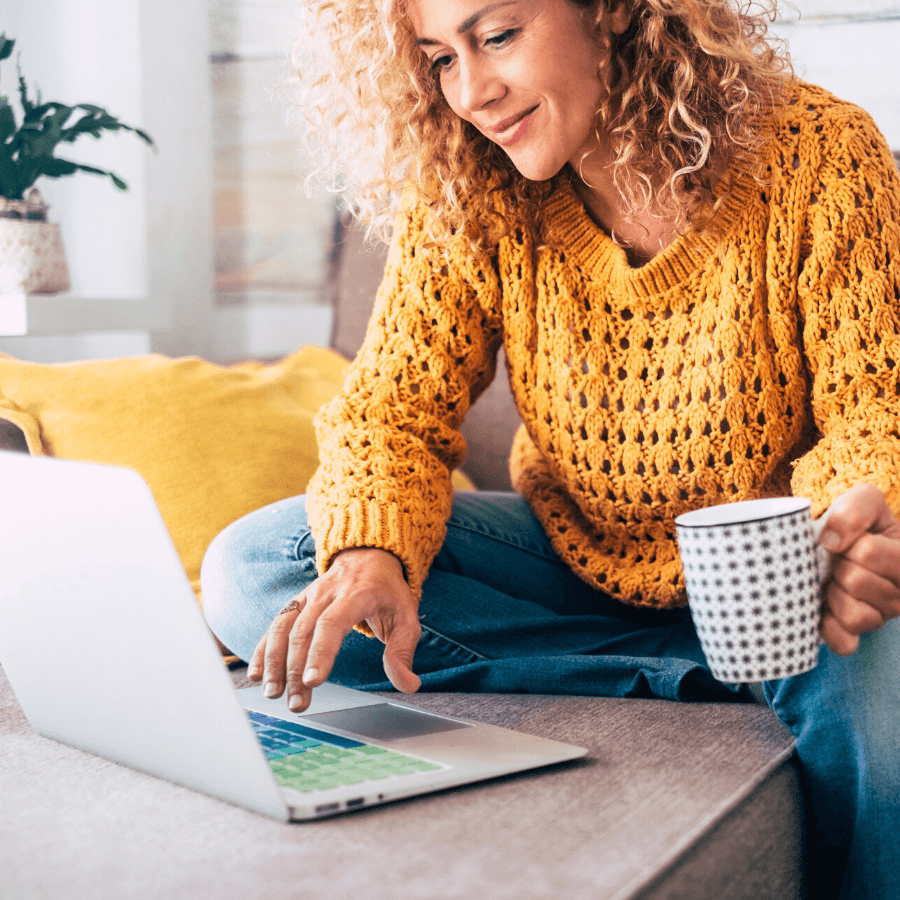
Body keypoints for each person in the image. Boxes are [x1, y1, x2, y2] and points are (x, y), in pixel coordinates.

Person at [200, 1, 900, 896]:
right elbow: (391, 411)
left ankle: (748, 666)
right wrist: (373, 549)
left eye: (495, 37)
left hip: (779, 582)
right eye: (438, 60)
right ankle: (703, 673)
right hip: (576, 558)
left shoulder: (820, 152)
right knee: (257, 567)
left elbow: (872, 407)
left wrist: (848, 526)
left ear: (610, 12)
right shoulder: (470, 184)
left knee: (877, 652)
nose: (473, 93)